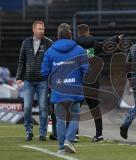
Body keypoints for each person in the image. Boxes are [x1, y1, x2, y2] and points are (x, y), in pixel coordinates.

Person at [41, 23, 88, 154]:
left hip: (58, 91)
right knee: (74, 117)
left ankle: (62, 146)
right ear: (71, 35)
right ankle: (69, 140)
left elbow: (44, 73)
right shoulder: (79, 50)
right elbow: (86, 70)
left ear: (58, 36)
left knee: (60, 120)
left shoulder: (50, 52)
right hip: (74, 90)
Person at [76, 24, 122, 142]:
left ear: (78, 33)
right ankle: (99, 135)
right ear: (88, 31)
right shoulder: (94, 44)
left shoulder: (73, 44)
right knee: (95, 109)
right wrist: (116, 38)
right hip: (92, 80)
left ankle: (74, 134)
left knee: (75, 108)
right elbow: (105, 44)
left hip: (78, 80)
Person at [16, 20, 52, 141]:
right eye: (39, 29)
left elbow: (53, 61)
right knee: (26, 107)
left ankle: (42, 133)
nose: (42, 31)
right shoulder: (26, 42)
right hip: (28, 81)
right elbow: (21, 60)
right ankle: (29, 131)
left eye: (43, 29)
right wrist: (18, 77)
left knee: (43, 107)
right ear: (33, 30)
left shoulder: (49, 43)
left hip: (43, 81)